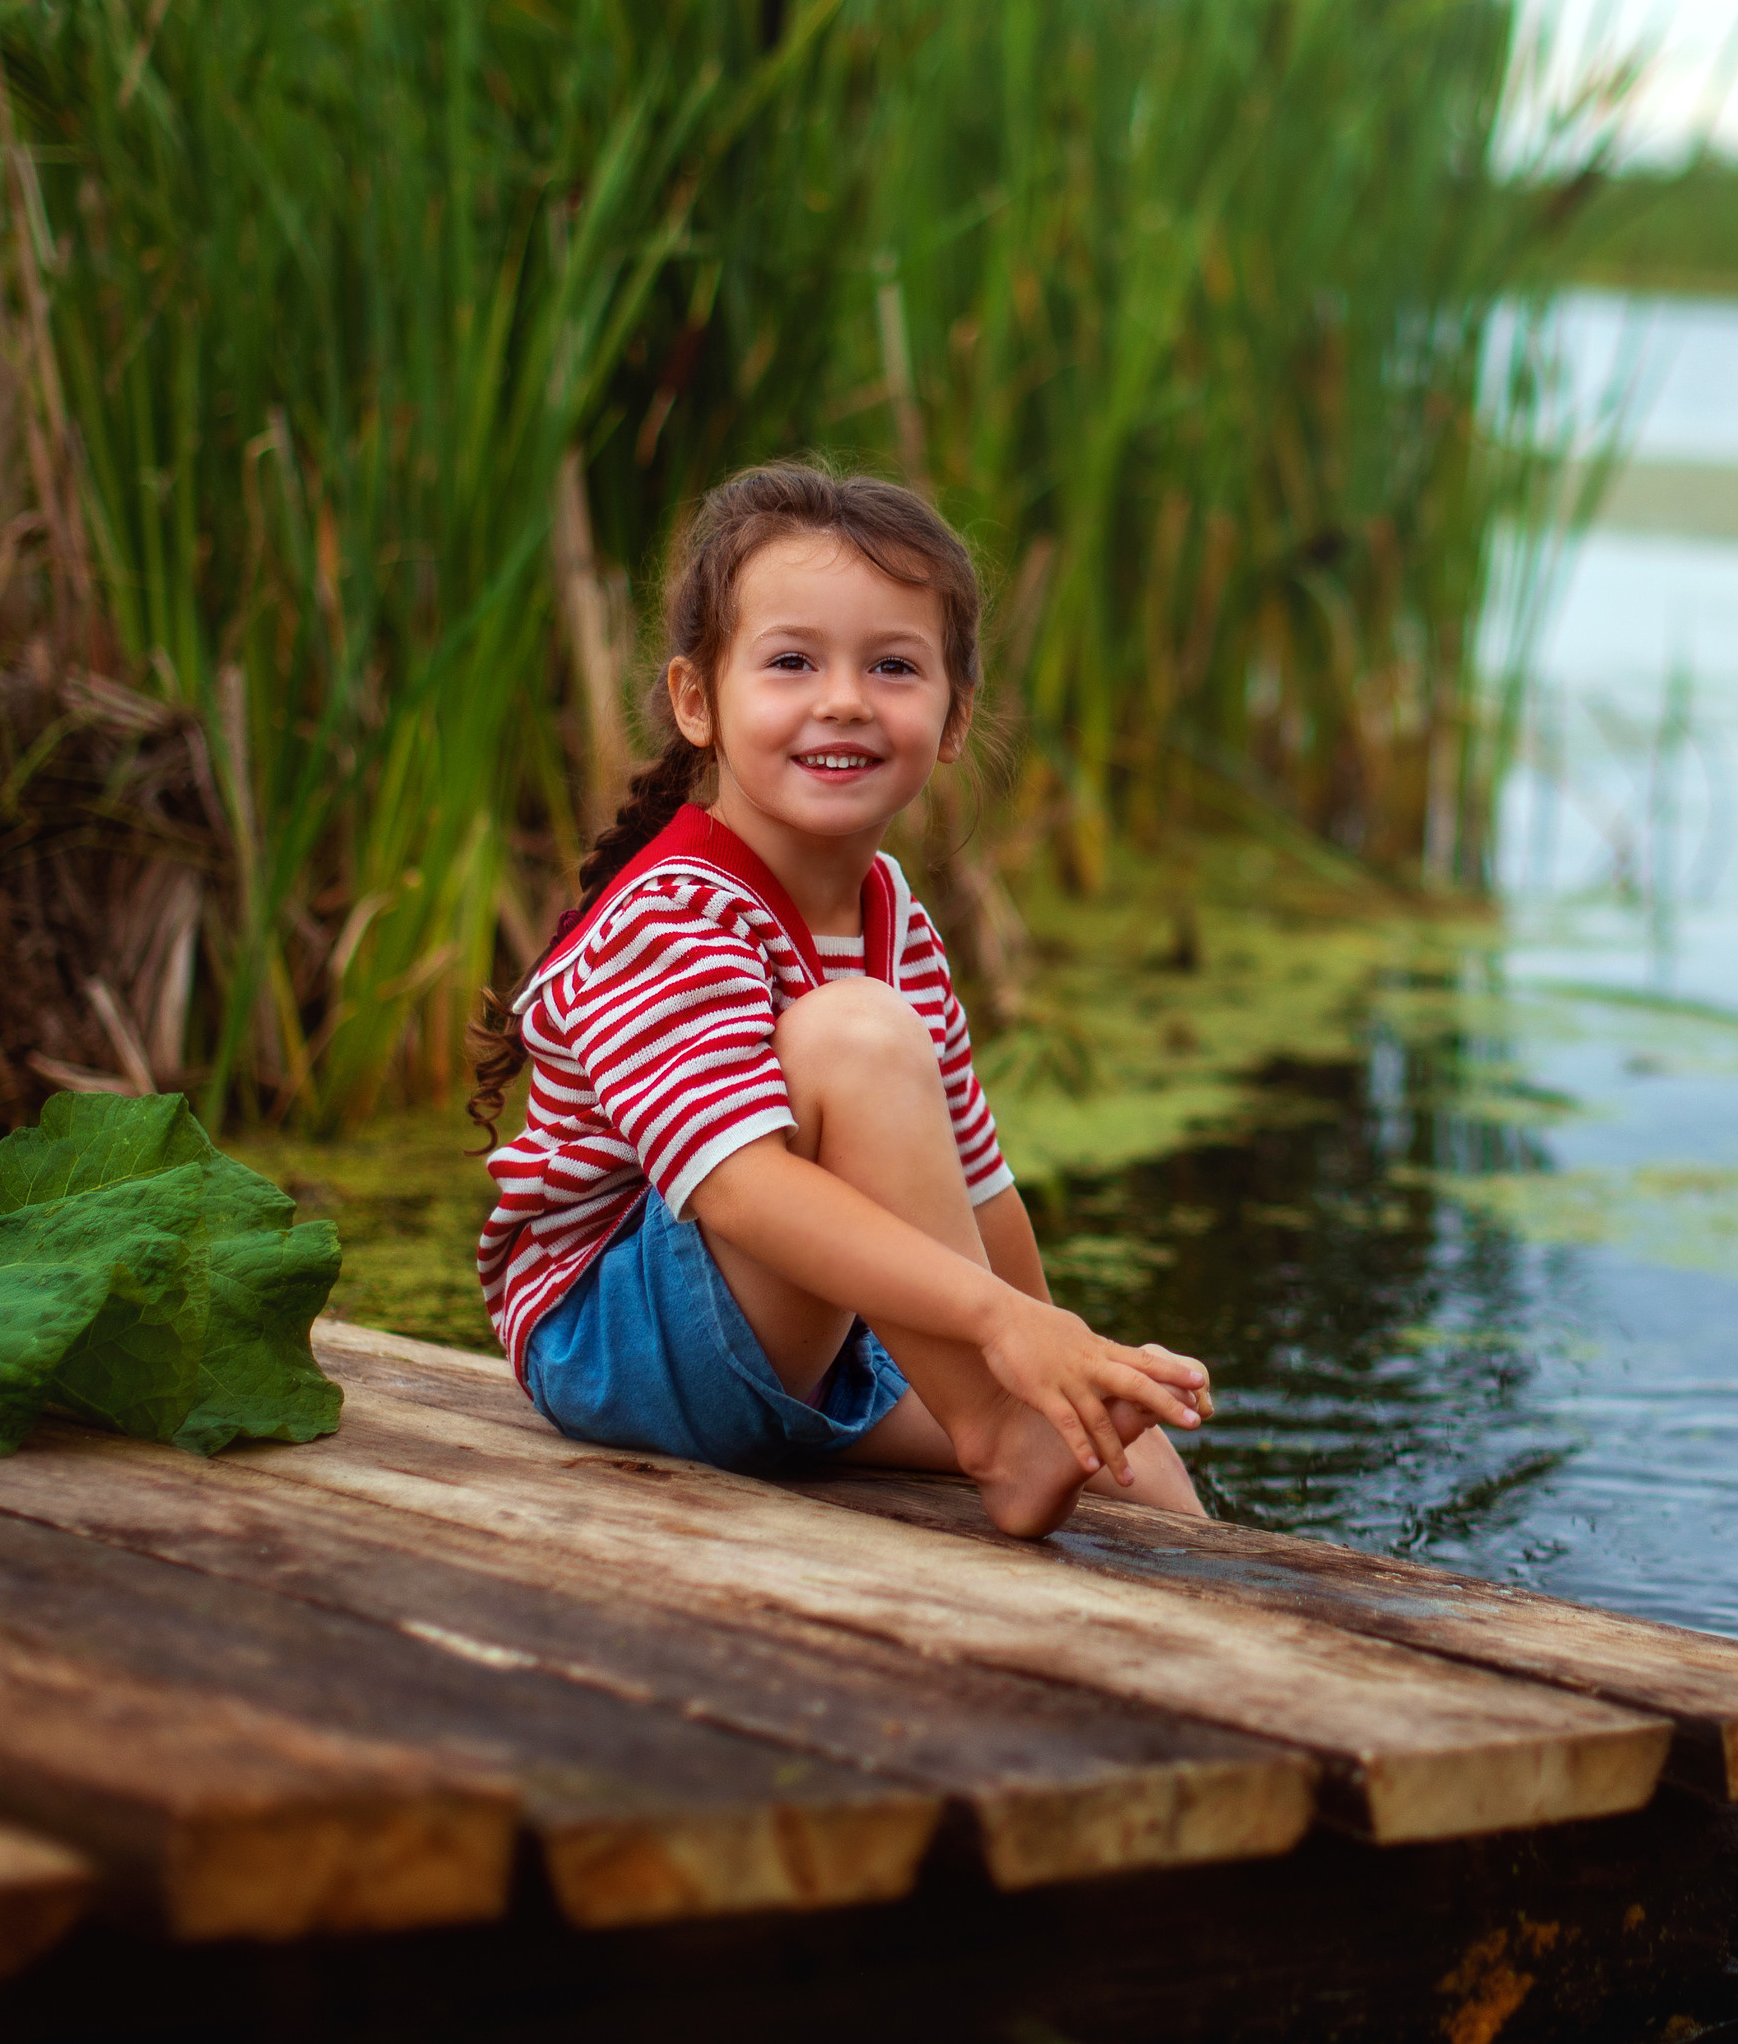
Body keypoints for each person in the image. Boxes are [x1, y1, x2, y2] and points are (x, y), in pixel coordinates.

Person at [470, 461, 1212, 1538]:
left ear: (954, 717)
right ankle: (998, 1437)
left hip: (797, 1334)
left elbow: (974, 1181)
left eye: (894, 666)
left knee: (1116, 1444)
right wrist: (1000, 1329)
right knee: (854, 1034)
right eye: (789, 661)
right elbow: (739, 1193)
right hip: (615, 1338)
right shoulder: (672, 911)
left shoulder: (892, 910)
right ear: (696, 701)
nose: (844, 700)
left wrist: (1063, 1349)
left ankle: (1212, 1602)